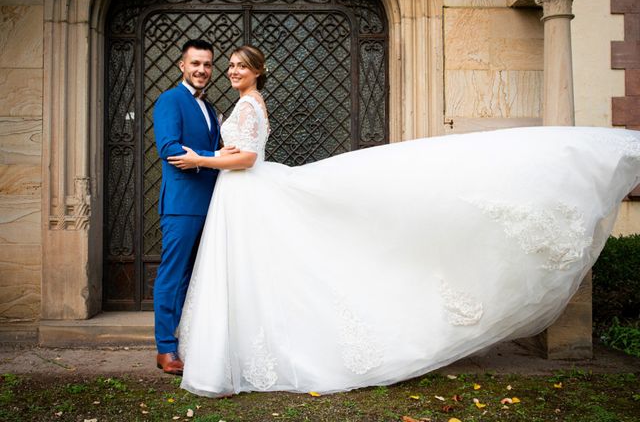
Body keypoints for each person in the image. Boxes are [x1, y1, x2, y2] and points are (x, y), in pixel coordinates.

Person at [168, 44, 640, 396]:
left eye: (239, 67)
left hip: (247, 190)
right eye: (227, 66)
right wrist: (216, 157)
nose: (231, 72)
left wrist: (201, 161)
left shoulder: (250, 104)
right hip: (241, 197)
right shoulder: (237, 104)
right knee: (259, 275)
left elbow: (249, 157)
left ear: (257, 73)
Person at [152, 39, 238, 375]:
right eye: (195, 64)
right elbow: (170, 149)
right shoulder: (170, 100)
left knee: (197, 277)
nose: (202, 70)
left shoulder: (210, 106)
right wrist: (216, 156)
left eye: (207, 64)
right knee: (173, 275)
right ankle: (165, 349)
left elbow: (216, 148)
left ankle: (188, 341)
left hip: (214, 202)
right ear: (182, 66)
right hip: (182, 203)